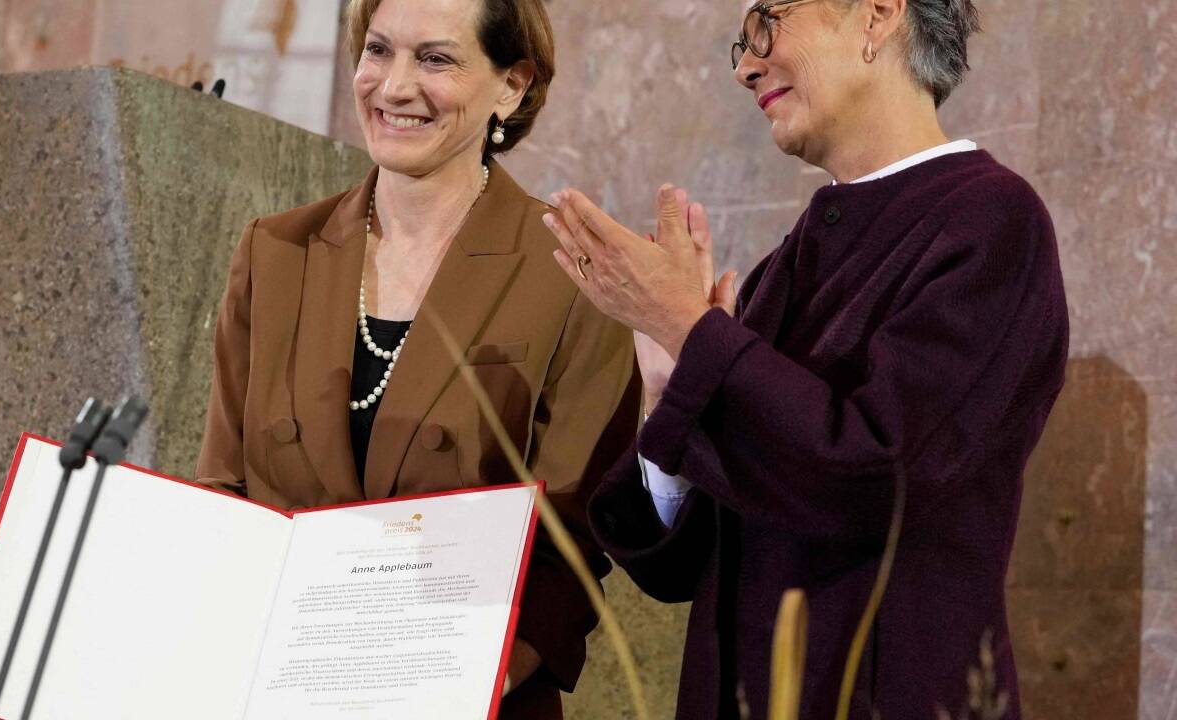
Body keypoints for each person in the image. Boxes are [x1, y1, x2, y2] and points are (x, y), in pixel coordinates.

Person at [541, 0, 1068, 717]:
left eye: (767, 21)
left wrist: (690, 328)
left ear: (877, 14)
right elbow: (679, 567)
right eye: (741, 43)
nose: (745, 67)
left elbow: (879, 475)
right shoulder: (786, 265)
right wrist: (668, 394)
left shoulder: (991, 221)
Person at [195, 0, 639, 716]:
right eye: (378, 51)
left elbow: (574, 543)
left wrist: (455, 686)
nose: (394, 86)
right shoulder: (273, 251)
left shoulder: (574, 269)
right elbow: (223, 496)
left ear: (512, 85)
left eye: (435, 59)